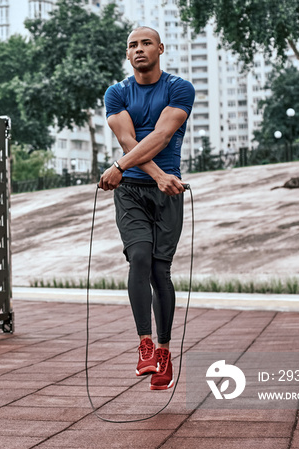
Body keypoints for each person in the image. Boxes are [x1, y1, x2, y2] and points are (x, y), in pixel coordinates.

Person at [99, 26, 194, 390]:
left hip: (167, 192)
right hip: (133, 192)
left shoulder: (179, 88)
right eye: (132, 45)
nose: (138, 49)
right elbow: (128, 139)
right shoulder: (117, 93)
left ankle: (165, 352)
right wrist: (150, 174)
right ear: (127, 55)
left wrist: (122, 166)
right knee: (139, 256)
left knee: (160, 271)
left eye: (145, 43)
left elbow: (161, 136)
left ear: (160, 48)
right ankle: (145, 345)